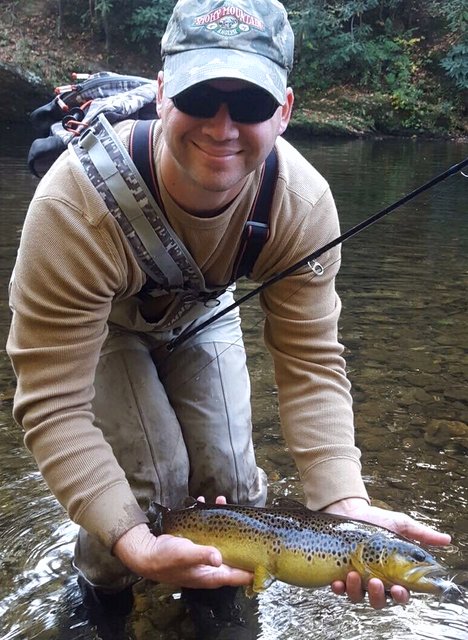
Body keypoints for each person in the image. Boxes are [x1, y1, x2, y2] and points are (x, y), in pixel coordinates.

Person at [7, 0, 450, 617]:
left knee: (236, 487)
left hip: (198, 309)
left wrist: (341, 503)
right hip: (102, 328)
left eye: (249, 105)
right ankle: (99, 598)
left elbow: (312, 364)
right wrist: (134, 545)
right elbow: (52, 403)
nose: (222, 127)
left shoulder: (301, 206)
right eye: (198, 97)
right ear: (162, 95)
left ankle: (218, 606)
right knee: (149, 487)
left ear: (285, 112)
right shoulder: (72, 206)